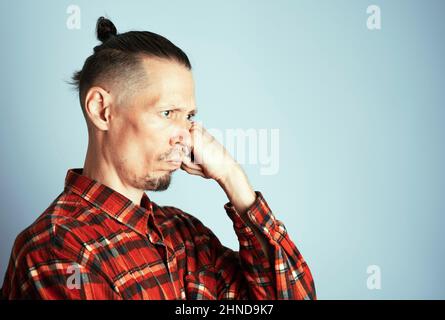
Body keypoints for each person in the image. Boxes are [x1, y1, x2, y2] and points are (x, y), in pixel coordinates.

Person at [1, 17, 316, 300]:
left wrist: (233, 178)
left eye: (189, 115)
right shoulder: (58, 250)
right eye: (167, 113)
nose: (186, 134)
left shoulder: (183, 233)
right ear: (101, 109)